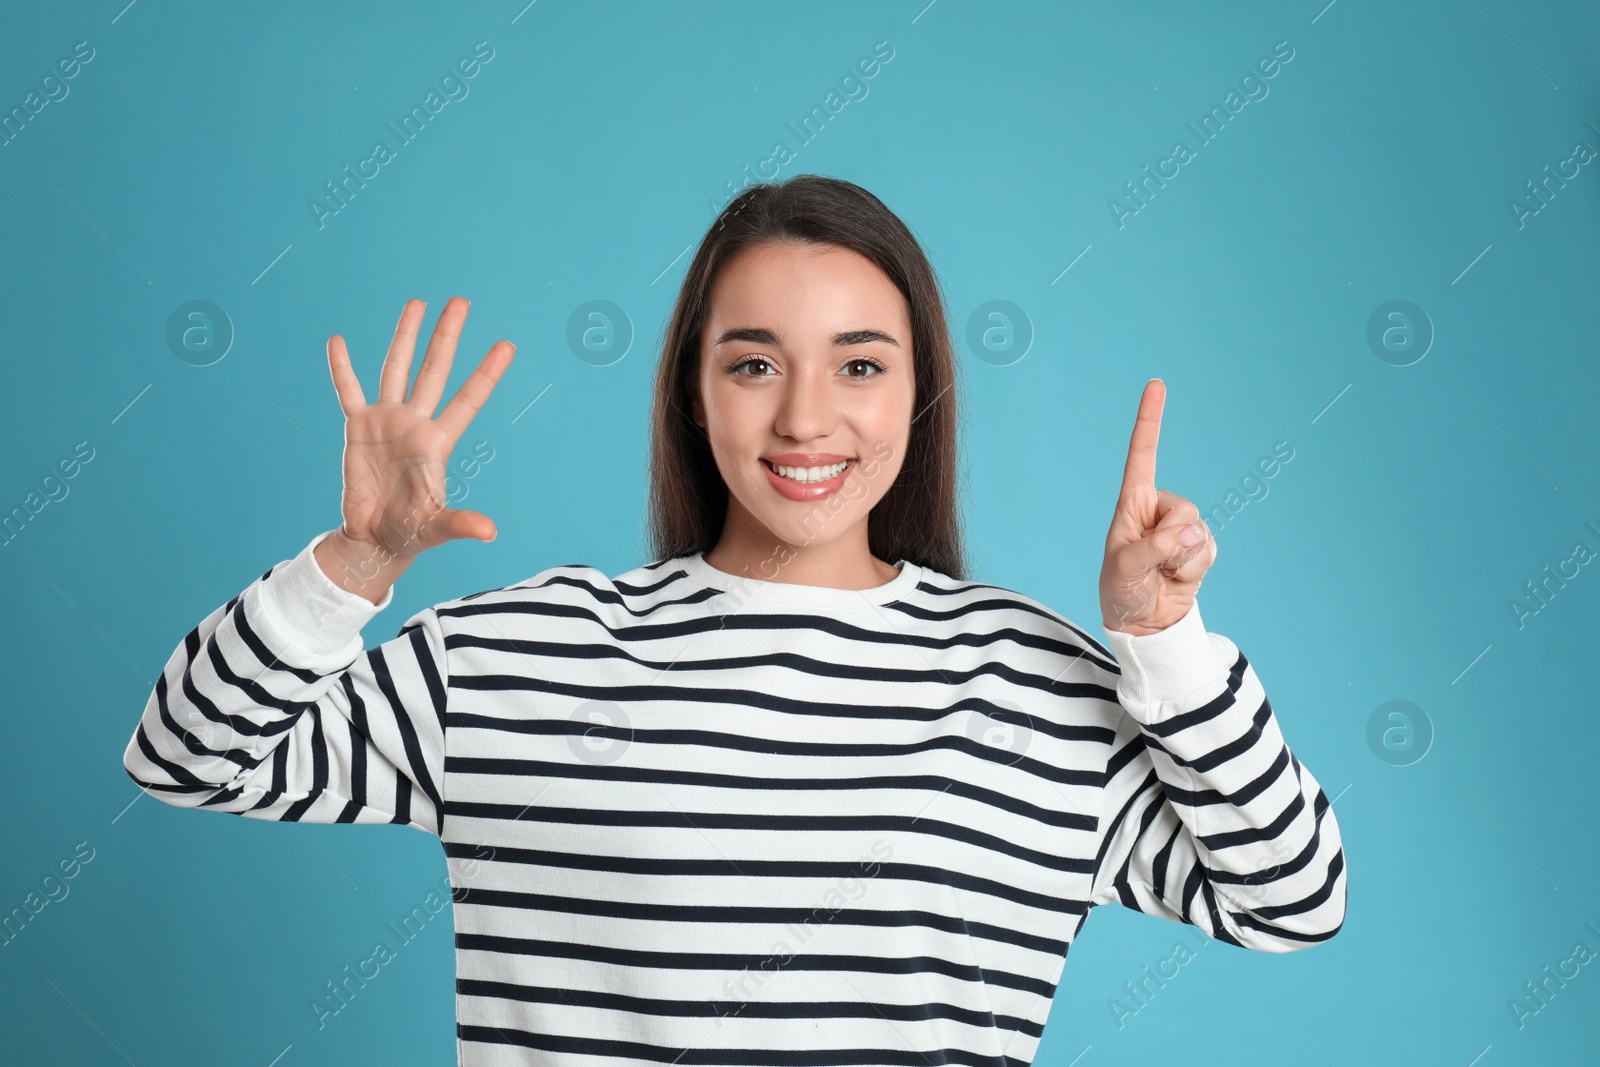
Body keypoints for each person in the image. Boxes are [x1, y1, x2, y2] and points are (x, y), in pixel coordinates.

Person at [123, 174, 1346, 1064]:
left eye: (860, 364)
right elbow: (186, 756)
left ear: (920, 395)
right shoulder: (524, 657)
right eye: (754, 363)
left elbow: (1291, 898)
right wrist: (349, 566)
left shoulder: (1030, 682)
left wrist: (1161, 642)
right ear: (692, 395)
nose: (806, 418)